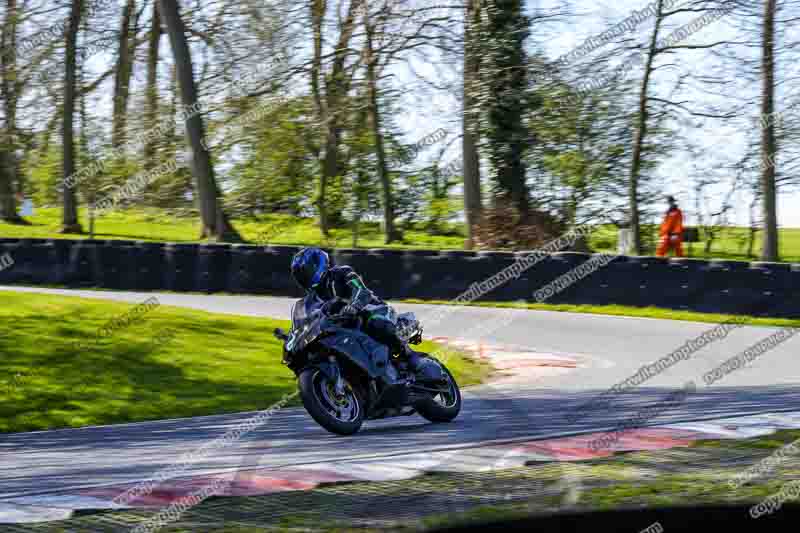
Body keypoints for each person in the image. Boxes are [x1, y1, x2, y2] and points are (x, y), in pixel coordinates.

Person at [290, 247, 422, 371]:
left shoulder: (342, 273)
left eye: (306, 272)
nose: (304, 277)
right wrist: (292, 337)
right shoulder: (310, 301)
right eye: (300, 275)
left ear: (317, 264)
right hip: (343, 327)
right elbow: (306, 320)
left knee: (376, 323)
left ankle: (410, 356)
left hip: (371, 309)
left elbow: (361, 290)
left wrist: (354, 306)